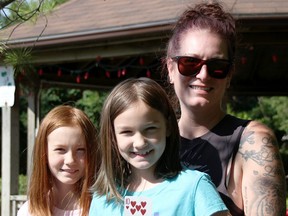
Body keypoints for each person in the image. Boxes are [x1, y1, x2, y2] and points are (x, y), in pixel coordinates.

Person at [162, 1, 286, 215]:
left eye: (217, 66)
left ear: (229, 75)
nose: (203, 75)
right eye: (190, 63)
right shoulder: (147, 140)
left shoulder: (252, 142)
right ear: (171, 69)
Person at [89, 77, 230, 216]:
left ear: (168, 126)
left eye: (150, 129)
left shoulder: (194, 187)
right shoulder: (102, 198)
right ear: (112, 136)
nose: (140, 143)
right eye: (127, 132)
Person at [17, 105, 99, 216]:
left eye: (80, 150)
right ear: (44, 154)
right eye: (60, 149)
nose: (70, 160)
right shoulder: (29, 211)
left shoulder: (103, 207)